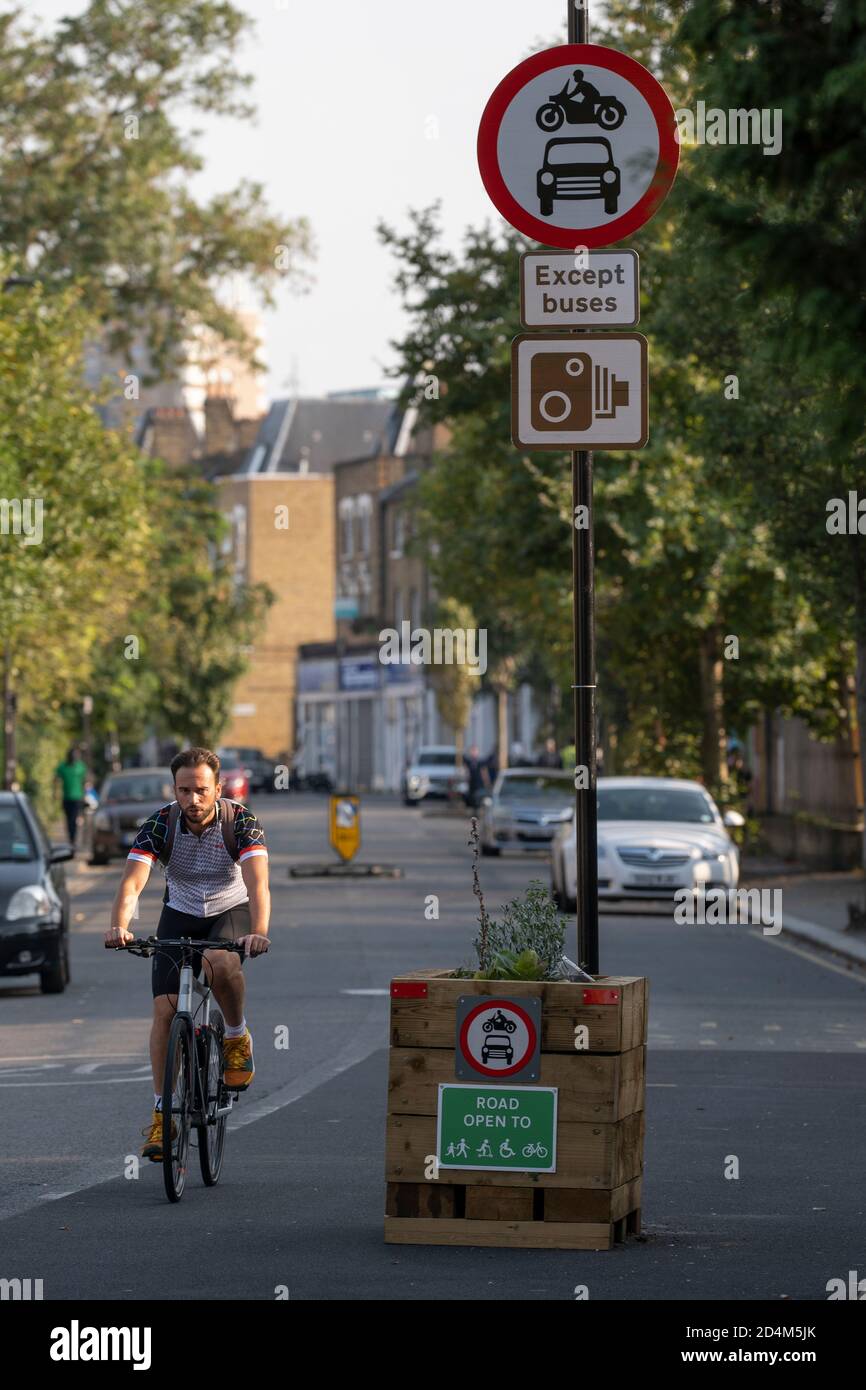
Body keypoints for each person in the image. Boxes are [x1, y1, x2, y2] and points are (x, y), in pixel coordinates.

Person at [104, 747, 270, 1163]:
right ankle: (164, 1114)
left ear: (218, 788)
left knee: (218, 961)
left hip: (228, 910)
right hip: (178, 913)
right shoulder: (161, 824)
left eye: (201, 790)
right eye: (184, 791)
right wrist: (120, 926)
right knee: (165, 1012)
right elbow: (132, 883)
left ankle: (236, 1036)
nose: (192, 800)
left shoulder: (241, 822)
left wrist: (259, 932)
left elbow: (258, 884)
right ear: (174, 790)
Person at [55, 745, 89, 852]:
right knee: (68, 820)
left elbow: (85, 781)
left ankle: (73, 841)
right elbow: (56, 779)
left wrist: (85, 795)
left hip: (77, 797)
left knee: (74, 820)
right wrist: (56, 792)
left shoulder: (81, 766)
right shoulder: (63, 767)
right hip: (66, 797)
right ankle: (71, 839)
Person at [463, 743, 491, 809]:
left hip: (479, 784)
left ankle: (477, 810)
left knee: (478, 798)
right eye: (472, 751)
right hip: (471, 784)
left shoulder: (481, 762)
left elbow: (484, 773)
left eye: (475, 751)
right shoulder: (469, 762)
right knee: (471, 798)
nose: (473, 752)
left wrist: (487, 783)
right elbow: (466, 772)